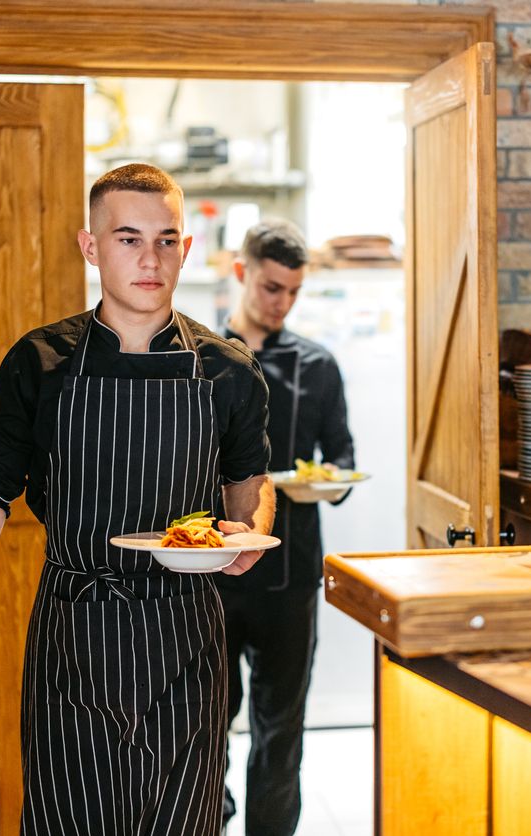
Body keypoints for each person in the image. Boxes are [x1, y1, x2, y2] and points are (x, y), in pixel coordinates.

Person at [0, 163, 277, 836]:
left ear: (186, 249)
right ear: (90, 247)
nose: (151, 258)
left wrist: (246, 536)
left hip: (185, 641)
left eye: (167, 240)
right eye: (128, 238)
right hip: (74, 638)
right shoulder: (40, 362)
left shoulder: (227, 371)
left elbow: (250, 487)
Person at [218, 220, 355, 835]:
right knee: (202, 726)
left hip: (292, 578)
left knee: (283, 730)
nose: (282, 303)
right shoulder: (195, 359)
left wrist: (329, 479)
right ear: (242, 272)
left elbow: (344, 462)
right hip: (209, 580)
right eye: (272, 287)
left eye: (293, 292)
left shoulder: (319, 366)